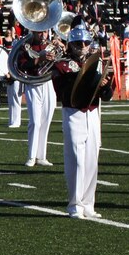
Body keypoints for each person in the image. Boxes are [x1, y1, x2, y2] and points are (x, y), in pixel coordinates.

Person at [50, 27, 114, 219]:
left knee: (91, 160)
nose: (83, 47)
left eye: (86, 43)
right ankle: (74, 205)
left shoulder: (97, 63)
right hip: (74, 112)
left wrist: (103, 86)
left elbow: (108, 94)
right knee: (76, 159)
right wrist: (81, 77)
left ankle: (88, 204)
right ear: (71, 45)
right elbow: (62, 92)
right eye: (79, 44)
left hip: (92, 113)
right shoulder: (62, 65)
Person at [16, 30, 58, 166]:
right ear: (33, 32)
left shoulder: (50, 45)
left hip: (48, 83)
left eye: (45, 32)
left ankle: (41, 156)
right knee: (35, 121)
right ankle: (31, 156)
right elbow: (22, 65)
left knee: (46, 120)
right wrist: (40, 59)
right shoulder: (25, 46)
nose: (42, 35)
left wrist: (58, 52)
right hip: (33, 83)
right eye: (39, 32)